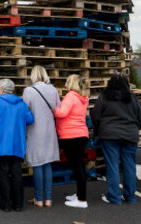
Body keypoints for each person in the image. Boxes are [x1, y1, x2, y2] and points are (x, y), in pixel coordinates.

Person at [90, 74, 141, 205]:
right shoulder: (132, 98)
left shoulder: (104, 97)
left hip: (109, 135)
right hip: (130, 135)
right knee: (129, 165)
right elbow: (140, 118)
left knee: (112, 166)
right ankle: (130, 196)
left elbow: (95, 115)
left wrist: (99, 129)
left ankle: (114, 197)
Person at [0, 78, 34, 213]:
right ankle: (18, 204)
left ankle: (5, 204)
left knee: (3, 174)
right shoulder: (21, 103)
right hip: (17, 145)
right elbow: (30, 119)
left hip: (0, 145)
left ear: (1, 89)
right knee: (17, 173)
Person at [22, 66, 60, 208]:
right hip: (49, 130)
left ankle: (38, 199)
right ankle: (48, 199)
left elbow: (25, 112)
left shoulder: (28, 91)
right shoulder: (53, 89)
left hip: (34, 131)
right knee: (47, 163)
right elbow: (57, 108)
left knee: (37, 163)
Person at [54, 74, 90, 208]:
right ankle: (80, 194)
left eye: (66, 82)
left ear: (72, 83)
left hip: (70, 136)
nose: (65, 85)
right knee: (79, 166)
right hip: (81, 134)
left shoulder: (71, 96)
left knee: (77, 167)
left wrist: (51, 106)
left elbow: (62, 113)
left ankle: (82, 200)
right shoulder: (83, 97)